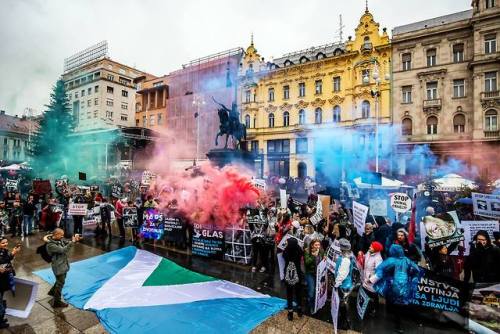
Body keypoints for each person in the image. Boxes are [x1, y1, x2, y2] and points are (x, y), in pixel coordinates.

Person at [371, 244, 421, 333]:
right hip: (405, 287)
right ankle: (399, 325)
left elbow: (381, 270)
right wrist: (411, 277)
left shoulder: (391, 260)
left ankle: (397, 325)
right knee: (400, 306)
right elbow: (417, 270)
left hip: (394, 286)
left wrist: (372, 279)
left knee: (394, 305)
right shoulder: (407, 260)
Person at [45, 228, 81, 308]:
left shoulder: (58, 240)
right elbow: (62, 250)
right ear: (56, 234)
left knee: (60, 280)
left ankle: (52, 292)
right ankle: (57, 302)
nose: (62, 236)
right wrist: (72, 243)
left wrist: (74, 240)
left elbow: (66, 242)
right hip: (58, 266)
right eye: (61, 235)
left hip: (62, 265)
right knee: (60, 283)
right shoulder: (51, 245)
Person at [334, 238, 355, 330]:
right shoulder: (348, 256)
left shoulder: (345, 260)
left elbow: (342, 274)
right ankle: (345, 321)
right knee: (344, 304)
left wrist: (336, 284)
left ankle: (345, 323)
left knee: (343, 305)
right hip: (346, 284)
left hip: (343, 286)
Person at [0, 238, 21, 328]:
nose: (5, 244)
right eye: (3, 243)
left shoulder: (4, 250)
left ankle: (1, 317)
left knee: (1, 297)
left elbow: (7, 258)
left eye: (6, 242)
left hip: (3, 279)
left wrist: (13, 252)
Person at [282, 237, 304, 321]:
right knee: (298, 293)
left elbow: (283, 255)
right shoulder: (299, 251)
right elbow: (301, 252)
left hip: (288, 274)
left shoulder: (286, 251)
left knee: (289, 293)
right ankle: (299, 310)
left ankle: (290, 312)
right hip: (297, 274)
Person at [361, 241, 384, 316]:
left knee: (373, 296)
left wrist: (371, 280)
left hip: (371, 282)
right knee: (366, 294)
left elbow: (379, 273)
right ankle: (365, 308)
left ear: (375, 249)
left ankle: (374, 310)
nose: (369, 247)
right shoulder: (369, 252)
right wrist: (362, 256)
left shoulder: (378, 259)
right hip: (365, 278)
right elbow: (365, 258)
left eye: (371, 246)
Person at [304, 239, 324, 314]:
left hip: (318, 274)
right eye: (316, 245)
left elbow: (323, 257)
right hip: (310, 273)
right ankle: (311, 306)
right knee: (311, 292)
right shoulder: (307, 251)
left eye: (319, 245)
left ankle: (316, 304)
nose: (317, 247)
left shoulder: (321, 251)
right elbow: (307, 262)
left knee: (318, 290)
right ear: (312, 245)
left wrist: (324, 257)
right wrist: (313, 256)